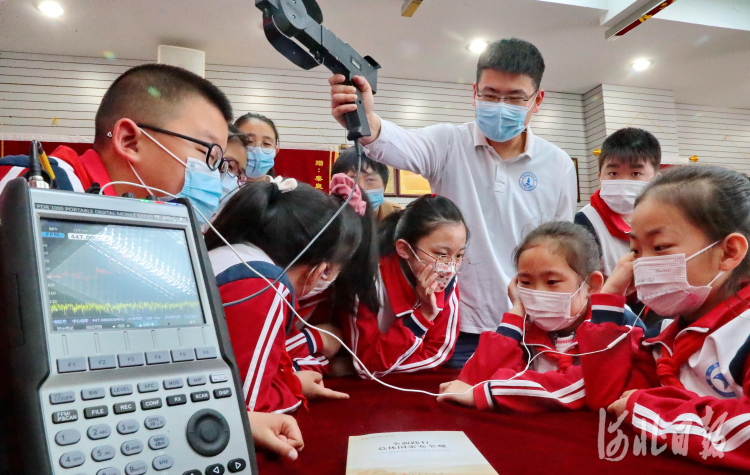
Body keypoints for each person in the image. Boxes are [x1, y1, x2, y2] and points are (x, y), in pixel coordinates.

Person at [329, 38, 577, 366]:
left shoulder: (558, 164)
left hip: (526, 327)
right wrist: (365, 119)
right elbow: (393, 141)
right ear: (474, 91)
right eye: (490, 95)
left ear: (537, 100)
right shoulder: (449, 143)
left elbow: (563, 249)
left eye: (515, 98)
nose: (501, 105)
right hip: (454, 325)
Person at [577, 166, 750, 470]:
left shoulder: (742, 333)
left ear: (728, 252)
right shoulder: (669, 330)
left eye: (659, 248)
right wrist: (610, 296)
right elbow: (608, 396)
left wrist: (650, 408)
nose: (640, 265)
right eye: (635, 250)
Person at [438, 222, 643, 411]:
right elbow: (472, 380)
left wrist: (489, 393)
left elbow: (586, 386)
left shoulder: (618, 327)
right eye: (526, 283)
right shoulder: (529, 332)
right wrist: (516, 313)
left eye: (552, 281)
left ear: (592, 285)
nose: (538, 293)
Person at [0, 64, 232, 223]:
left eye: (219, 164)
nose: (214, 177)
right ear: (129, 141)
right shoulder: (26, 184)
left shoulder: (143, 221)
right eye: (206, 153)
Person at [205, 178, 359, 412]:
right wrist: (294, 388)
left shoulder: (231, 254)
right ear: (320, 269)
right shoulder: (266, 285)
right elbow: (248, 406)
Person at [343, 194, 467, 377]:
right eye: (441, 254)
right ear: (405, 249)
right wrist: (422, 317)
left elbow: (438, 353)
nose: (450, 266)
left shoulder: (445, 279)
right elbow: (365, 364)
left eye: (459, 256)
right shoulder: (367, 279)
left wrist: (382, 367)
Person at [293, 173, 380, 376]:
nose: (322, 274)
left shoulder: (338, 290)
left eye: (334, 267)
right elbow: (262, 357)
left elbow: (325, 364)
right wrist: (318, 338)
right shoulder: (267, 285)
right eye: (320, 263)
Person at [574, 128, 661, 277]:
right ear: (600, 177)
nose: (623, 181)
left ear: (655, 179)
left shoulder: (668, 219)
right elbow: (584, 285)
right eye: (613, 173)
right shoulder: (585, 222)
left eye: (636, 174)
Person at [331, 146, 402, 219]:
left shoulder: (400, 219)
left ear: (384, 186)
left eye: (370, 180)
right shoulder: (325, 219)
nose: (361, 187)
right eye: (352, 180)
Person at [234, 112, 279, 180]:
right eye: (249, 141)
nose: (258, 150)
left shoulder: (284, 189)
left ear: (275, 152)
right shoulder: (218, 188)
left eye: (266, 143)